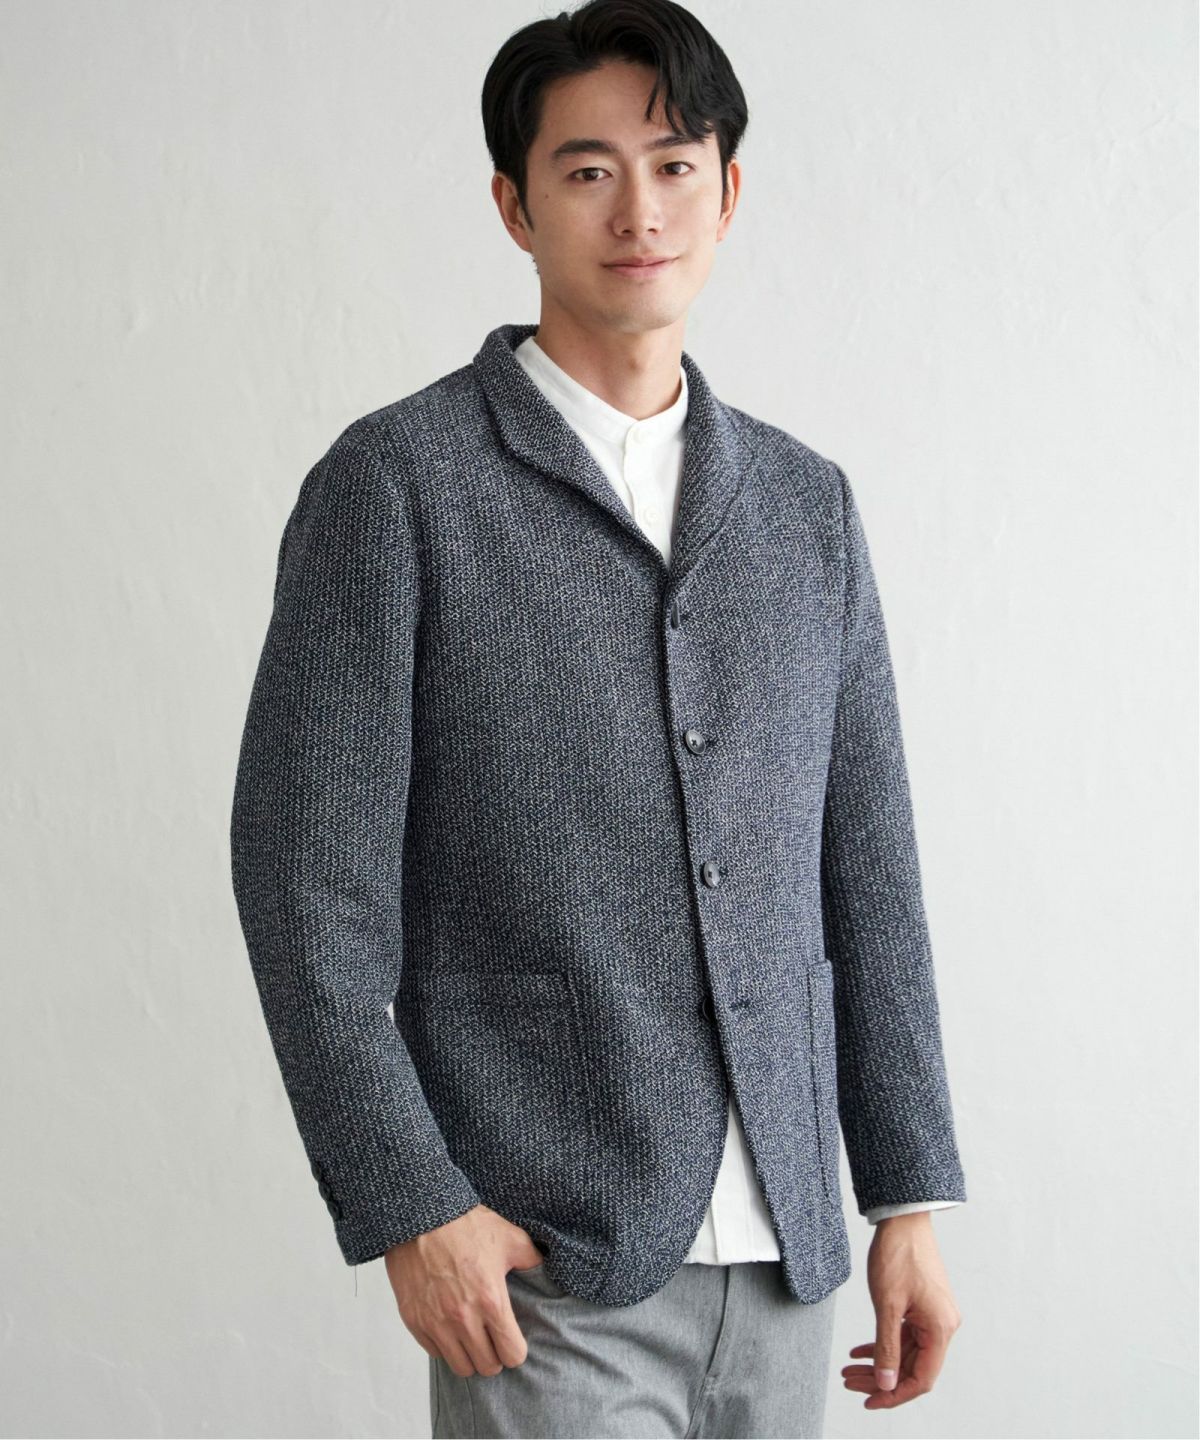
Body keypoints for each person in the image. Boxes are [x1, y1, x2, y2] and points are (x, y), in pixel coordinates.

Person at [229, 1, 967, 1435]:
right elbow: (305, 884)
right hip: (548, 1265)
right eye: (586, 171)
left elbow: (867, 872)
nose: (640, 211)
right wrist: (411, 1203)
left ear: (728, 192)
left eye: (676, 164)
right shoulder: (399, 487)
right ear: (514, 206)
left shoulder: (806, 509)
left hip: (791, 1266)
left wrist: (908, 1198)